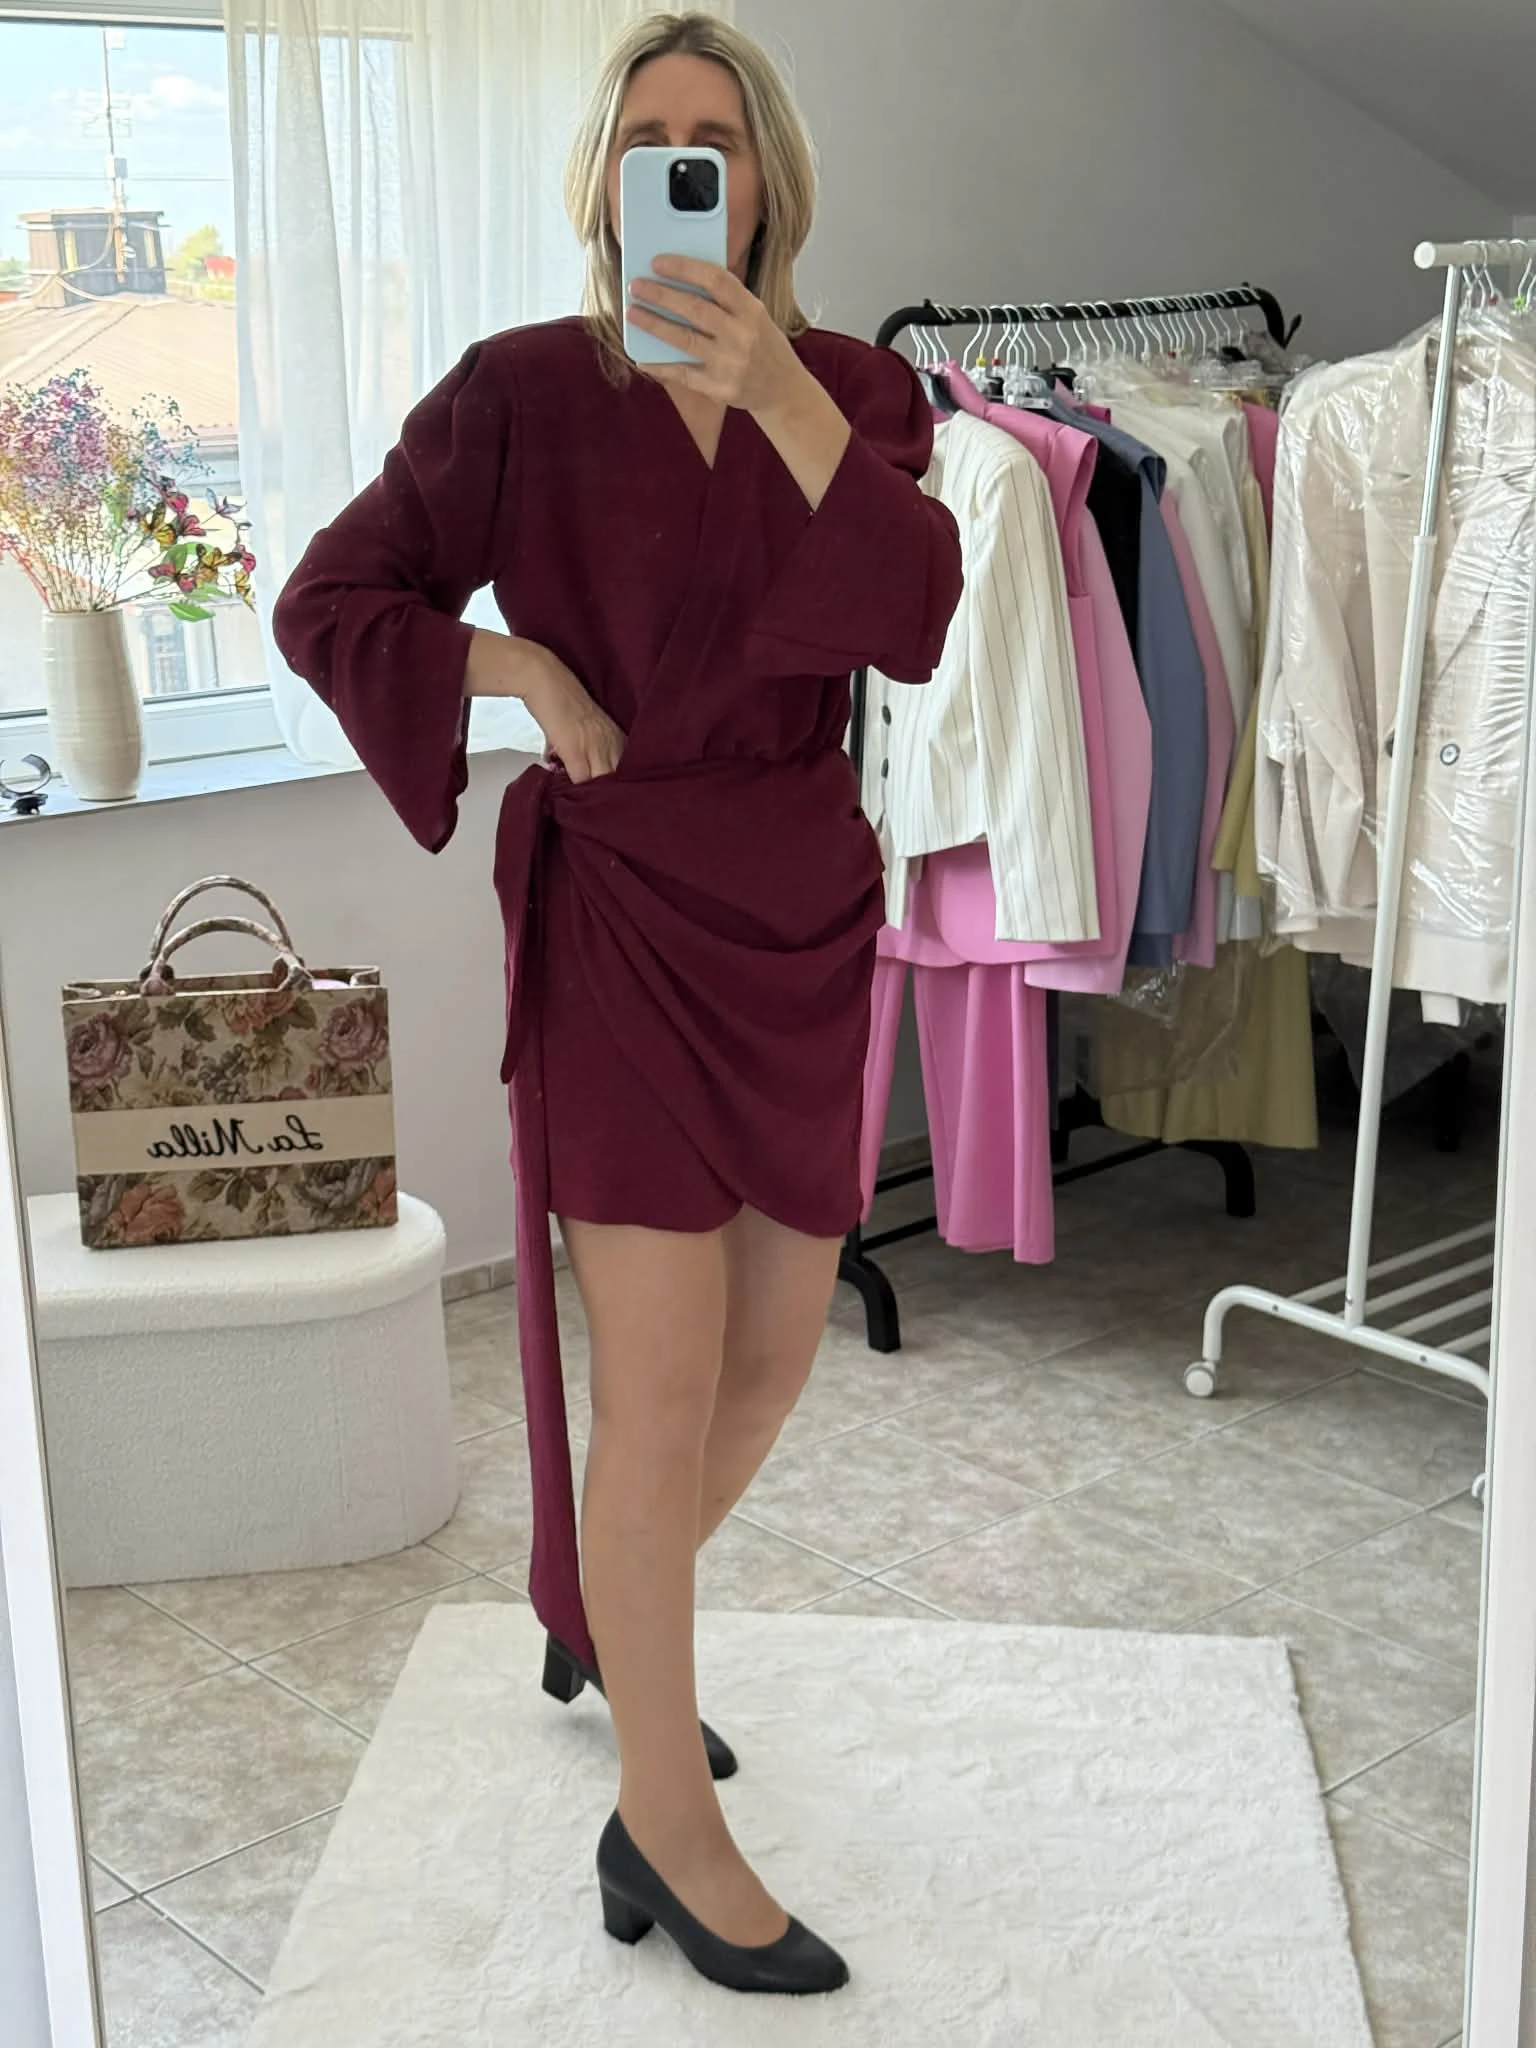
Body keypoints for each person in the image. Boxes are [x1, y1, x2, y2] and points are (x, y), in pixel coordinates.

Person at [272, 8, 961, 1999]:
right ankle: (663, 1819)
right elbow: (332, 598)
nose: (682, 165)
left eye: (714, 140)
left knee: (769, 1364)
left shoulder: (857, 390)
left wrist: (780, 396)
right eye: (648, 136)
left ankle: (601, 1606)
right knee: (655, 1389)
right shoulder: (518, 392)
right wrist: (521, 674)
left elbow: (915, 612)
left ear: (763, 184)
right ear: (603, 182)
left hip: (800, 913)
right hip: (625, 919)